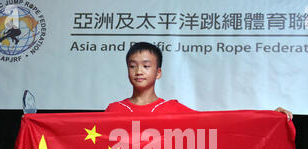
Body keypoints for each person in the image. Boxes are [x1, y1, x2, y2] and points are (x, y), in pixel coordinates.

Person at [105, 42, 293, 120]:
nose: (139, 71)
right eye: (132, 66)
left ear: (158, 72)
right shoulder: (114, 110)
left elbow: (217, 124)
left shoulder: (173, 109)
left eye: (146, 66)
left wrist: (270, 117)